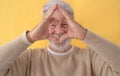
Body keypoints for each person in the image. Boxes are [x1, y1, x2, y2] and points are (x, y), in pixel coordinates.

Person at [0, 0, 120, 76]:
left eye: (65, 24)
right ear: (43, 26)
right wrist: (29, 37)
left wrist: (85, 35)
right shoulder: (30, 58)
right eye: (52, 24)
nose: (59, 31)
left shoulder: (90, 57)